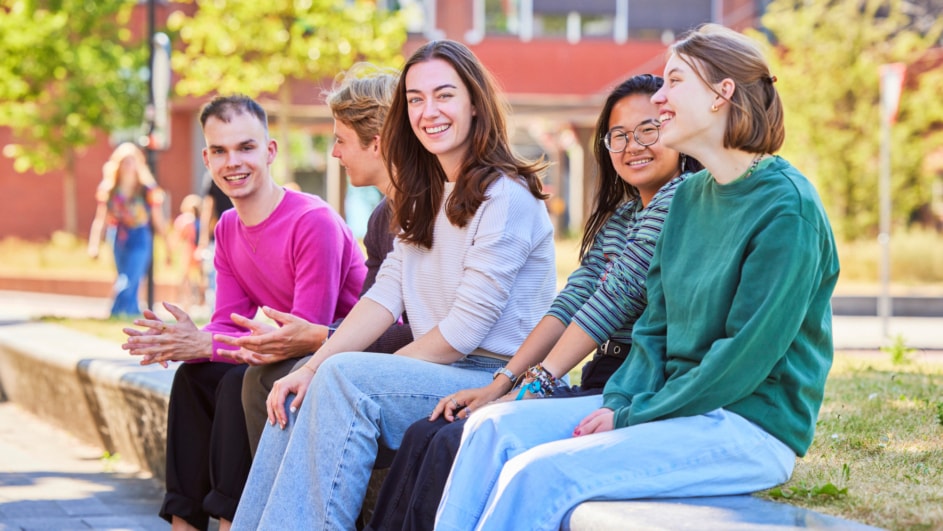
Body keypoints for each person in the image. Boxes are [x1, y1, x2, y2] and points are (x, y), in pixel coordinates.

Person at [434, 23, 840, 531]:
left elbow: (742, 359)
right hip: (667, 406)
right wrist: (625, 402)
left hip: (745, 425)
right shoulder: (690, 198)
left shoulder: (787, 209)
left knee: (540, 474)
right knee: (491, 429)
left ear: (722, 94)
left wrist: (628, 418)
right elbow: (653, 329)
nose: (661, 97)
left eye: (673, 83)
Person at [231, 39, 557, 530]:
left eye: (444, 95)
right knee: (299, 390)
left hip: (493, 378)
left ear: (474, 103)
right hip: (438, 374)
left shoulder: (504, 196)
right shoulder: (423, 196)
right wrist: (314, 367)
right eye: (415, 99)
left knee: (343, 379)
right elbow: (384, 296)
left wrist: (355, 370)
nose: (429, 112)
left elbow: (464, 332)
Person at [365, 73, 701, 531]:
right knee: (428, 432)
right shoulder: (624, 215)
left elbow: (613, 299)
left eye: (649, 130)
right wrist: (503, 382)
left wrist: (532, 387)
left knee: (454, 440)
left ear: (677, 130)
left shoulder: (680, 197)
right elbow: (571, 301)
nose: (633, 145)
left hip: (638, 385)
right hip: (602, 375)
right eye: (618, 136)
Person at [122, 95, 367, 531]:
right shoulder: (227, 228)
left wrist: (205, 342)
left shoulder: (313, 222)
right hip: (281, 355)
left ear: (270, 151)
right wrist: (179, 341)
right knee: (195, 378)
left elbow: (296, 336)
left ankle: (231, 522)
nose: (233, 162)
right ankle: (185, 523)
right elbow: (227, 324)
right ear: (207, 158)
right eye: (219, 150)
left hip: (339, 355)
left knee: (239, 381)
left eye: (246, 148)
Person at [217, 63, 413, 456]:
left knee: (271, 381)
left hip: (414, 364)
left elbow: (420, 331)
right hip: (377, 353)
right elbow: (370, 312)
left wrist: (320, 339)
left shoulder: (426, 212)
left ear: (376, 142)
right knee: (246, 379)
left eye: (341, 140)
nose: (335, 152)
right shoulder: (381, 217)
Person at [87, 142, 171, 318]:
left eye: (131, 161)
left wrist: (168, 247)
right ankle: (132, 314)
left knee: (130, 279)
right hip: (118, 236)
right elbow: (100, 219)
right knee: (124, 277)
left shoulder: (147, 190)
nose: (128, 165)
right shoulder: (110, 190)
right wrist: (94, 244)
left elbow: (158, 220)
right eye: (124, 161)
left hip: (141, 236)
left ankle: (114, 313)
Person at [197, 174, 233, 310]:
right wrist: (203, 239)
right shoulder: (214, 177)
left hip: (241, 232)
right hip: (219, 234)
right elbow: (208, 209)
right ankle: (218, 311)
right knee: (216, 276)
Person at [172, 193, 205, 310]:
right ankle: (201, 299)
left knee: (185, 277)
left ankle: (186, 301)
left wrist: (171, 251)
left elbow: (178, 236)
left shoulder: (184, 220)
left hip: (188, 249)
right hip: (200, 250)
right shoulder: (202, 220)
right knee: (200, 276)